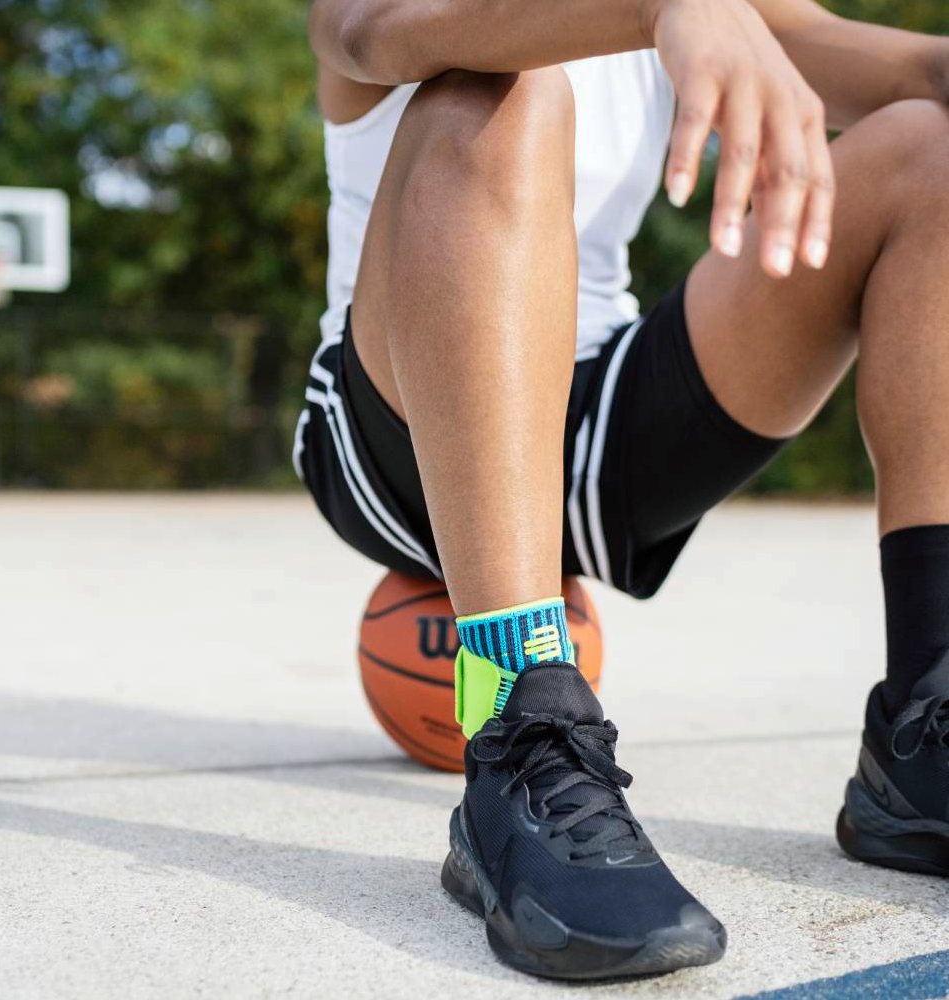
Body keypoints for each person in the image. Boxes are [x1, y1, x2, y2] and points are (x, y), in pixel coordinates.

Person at [295, 0, 949, 979]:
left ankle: (923, 733)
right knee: (489, 86)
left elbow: (910, 70)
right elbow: (364, 33)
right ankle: (520, 723)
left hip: (596, 419)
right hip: (395, 428)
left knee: (926, 151)